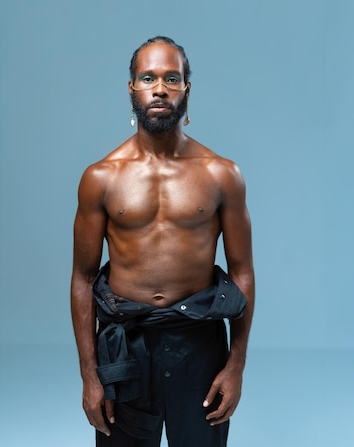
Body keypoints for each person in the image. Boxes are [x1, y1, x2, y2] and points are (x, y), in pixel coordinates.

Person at [71, 36, 255, 447]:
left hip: (200, 349)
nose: (159, 88)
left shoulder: (222, 174)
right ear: (132, 88)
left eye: (172, 78)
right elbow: (82, 279)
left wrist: (236, 365)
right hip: (125, 350)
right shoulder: (100, 177)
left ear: (187, 88)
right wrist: (89, 374)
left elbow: (242, 271)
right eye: (148, 77)